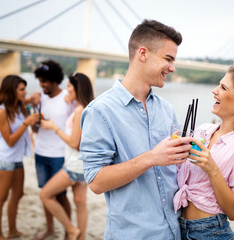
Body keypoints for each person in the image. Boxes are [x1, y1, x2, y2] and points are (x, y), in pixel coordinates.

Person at [79, 19, 192, 240]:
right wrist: (152, 158)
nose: (173, 68)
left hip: (174, 232)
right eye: (168, 59)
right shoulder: (100, 111)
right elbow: (95, 181)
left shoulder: (167, 109)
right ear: (143, 53)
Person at [173, 65, 234, 239]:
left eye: (223, 87)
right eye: (219, 84)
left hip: (211, 232)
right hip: (178, 227)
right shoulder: (204, 130)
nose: (214, 91)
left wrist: (212, 169)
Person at [39, 72, 94, 240]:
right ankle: (81, 237)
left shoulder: (79, 111)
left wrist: (53, 127)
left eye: (69, 86)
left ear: (77, 88)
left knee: (45, 195)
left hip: (74, 166)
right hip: (83, 166)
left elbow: (74, 143)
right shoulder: (86, 108)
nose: (66, 89)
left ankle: (71, 230)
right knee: (80, 202)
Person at [0, 75, 39, 240]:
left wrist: (36, 96)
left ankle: (12, 230)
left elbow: (33, 97)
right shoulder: (1, 111)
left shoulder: (18, 106)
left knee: (18, 194)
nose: (25, 92)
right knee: (0, 198)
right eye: (22, 89)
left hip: (17, 159)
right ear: (12, 90)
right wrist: (26, 123)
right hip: (4, 159)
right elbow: (10, 141)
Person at [31, 60, 74, 240]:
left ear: (55, 80)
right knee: (44, 195)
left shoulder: (67, 99)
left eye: (45, 82)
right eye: (40, 81)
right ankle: (50, 229)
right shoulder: (40, 99)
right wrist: (35, 123)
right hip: (41, 153)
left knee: (61, 197)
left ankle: (67, 231)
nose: (42, 85)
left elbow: (73, 127)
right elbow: (36, 129)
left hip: (59, 155)